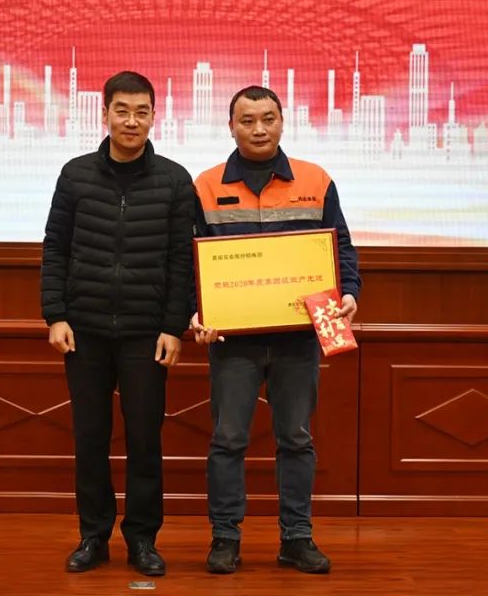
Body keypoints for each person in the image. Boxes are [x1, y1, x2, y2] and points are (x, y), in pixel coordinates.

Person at [191, 85, 362, 575]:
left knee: (296, 438)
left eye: (268, 118)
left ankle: (296, 538)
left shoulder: (315, 179)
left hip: (298, 337)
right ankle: (225, 539)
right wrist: (194, 312)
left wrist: (349, 291)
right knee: (228, 440)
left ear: (283, 122)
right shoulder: (205, 185)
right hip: (232, 341)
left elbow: (341, 249)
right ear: (231, 126)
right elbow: (189, 259)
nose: (259, 129)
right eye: (247, 120)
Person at [41, 70, 195, 577]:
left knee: (145, 439)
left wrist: (173, 326)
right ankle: (93, 535)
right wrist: (55, 315)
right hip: (83, 329)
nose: (132, 121)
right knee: (90, 437)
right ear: (104, 114)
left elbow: (182, 261)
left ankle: (143, 539)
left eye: (142, 112)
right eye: (122, 111)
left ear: (154, 116)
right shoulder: (75, 175)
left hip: (146, 333)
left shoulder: (174, 180)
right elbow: (56, 248)